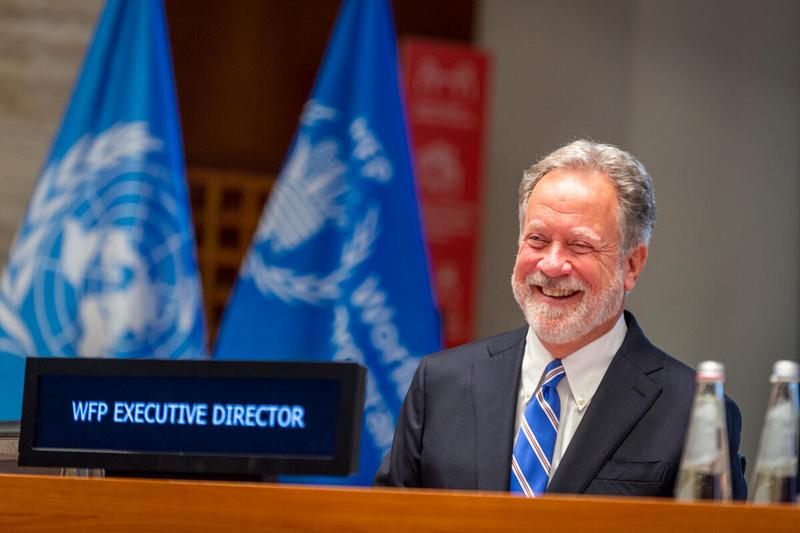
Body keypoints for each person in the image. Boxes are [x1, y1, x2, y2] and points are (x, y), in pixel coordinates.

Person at [375, 139, 747, 498]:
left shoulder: (694, 412)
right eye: (536, 240)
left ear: (632, 265)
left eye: (580, 245)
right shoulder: (440, 385)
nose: (551, 265)